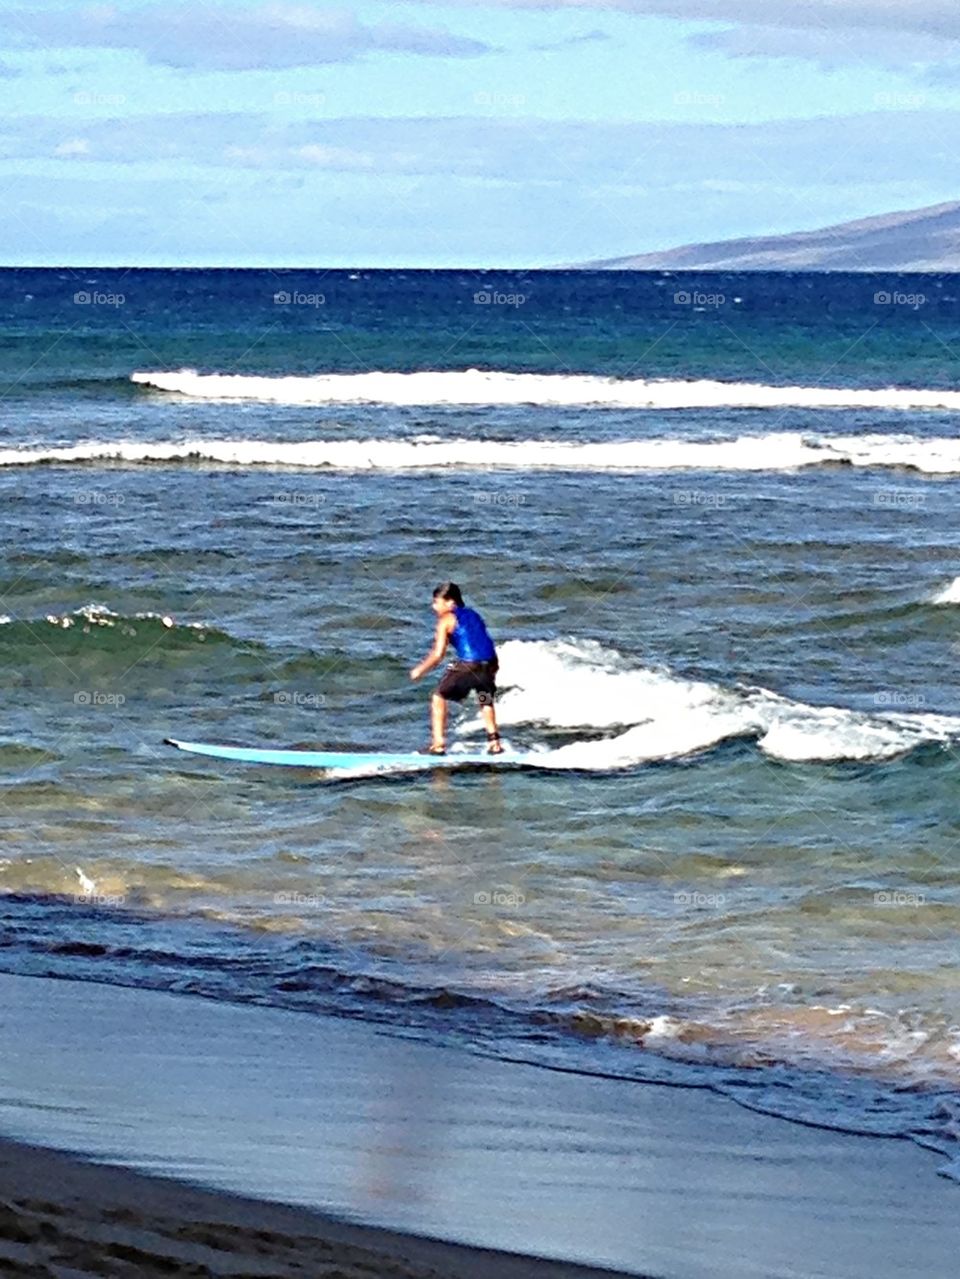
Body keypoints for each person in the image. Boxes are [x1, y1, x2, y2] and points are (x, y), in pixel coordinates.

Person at [410, 582, 503, 755]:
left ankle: (438, 745)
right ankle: (495, 743)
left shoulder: (446, 619)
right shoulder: (474, 614)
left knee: (438, 697)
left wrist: (419, 670)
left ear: (450, 602)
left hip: (470, 665)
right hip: (489, 663)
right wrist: (492, 671)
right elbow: (484, 642)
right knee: (485, 699)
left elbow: (438, 655)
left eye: (437, 602)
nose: (434, 606)